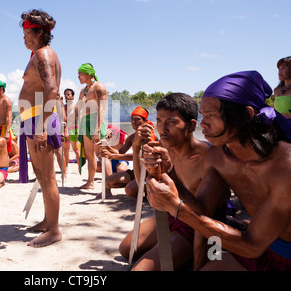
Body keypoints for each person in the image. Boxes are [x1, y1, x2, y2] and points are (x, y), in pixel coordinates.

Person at [145, 71, 291, 271]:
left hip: (265, 248)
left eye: (212, 115)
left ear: (247, 114)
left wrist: (176, 207)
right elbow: (203, 210)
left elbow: (251, 246)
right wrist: (168, 173)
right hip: (265, 247)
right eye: (203, 115)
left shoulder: (285, 166)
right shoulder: (218, 156)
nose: (203, 124)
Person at [119, 93, 230, 271]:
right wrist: (136, 147)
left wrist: (198, 266)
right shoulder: (165, 148)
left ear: (191, 125)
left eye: (171, 122)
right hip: (173, 215)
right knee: (125, 249)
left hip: (201, 228)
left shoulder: (210, 156)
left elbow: (203, 218)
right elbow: (143, 188)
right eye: (160, 121)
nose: (162, 129)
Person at [18, 9, 62, 248]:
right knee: (42, 176)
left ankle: (54, 230)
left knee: (47, 178)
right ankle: (48, 221)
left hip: (39, 120)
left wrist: (43, 126)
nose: (23, 38)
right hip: (34, 118)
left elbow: (52, 90)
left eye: (26, 33)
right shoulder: (40, 54)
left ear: (38, 33)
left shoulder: (43, 55)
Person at [100, 107, 155, 198]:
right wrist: (107, 146)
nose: (133, 122)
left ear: (145, 121)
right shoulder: (131, 137)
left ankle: (145, 188)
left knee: (130, 191)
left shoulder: (149, 136)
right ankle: (137, 185)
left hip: (148, 173)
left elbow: (137, 156)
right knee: (106, 181)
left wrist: (113, 156)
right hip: (135, 172)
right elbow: (120, 152)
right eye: (132, 119)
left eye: (137, 119)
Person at [76, 63, 107, 189]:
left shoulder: (99, 87)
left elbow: (102, 109)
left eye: (80, 74)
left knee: (102, 155)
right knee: (89, 155)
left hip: (95, 121)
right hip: (85, 122)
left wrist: (97, 130)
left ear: (89, 74)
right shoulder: (83, 90)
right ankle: (90, 182)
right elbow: (78, 108)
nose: (78, 77)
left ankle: (107, 186)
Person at [0, 80, 15, 153]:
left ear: (1, 89)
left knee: (5, 150)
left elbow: (9, 116)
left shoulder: (6, 100)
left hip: (4, 128)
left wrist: (7, 131)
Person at [62, 88, 80, 173]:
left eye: (68, 94)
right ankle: (66, 168)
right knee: (65, 150)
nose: (66, 96)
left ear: (72, 96)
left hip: (74, 129)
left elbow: (79, 119)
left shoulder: (76, 106)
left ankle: (80, 168)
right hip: (65, 129)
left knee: (76, 150)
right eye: (65, 94)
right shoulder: (63, 107)